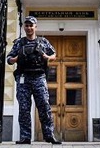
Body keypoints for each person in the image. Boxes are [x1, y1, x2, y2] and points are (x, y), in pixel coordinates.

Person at [6, 16, 61, 145]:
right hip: (24, 78)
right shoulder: (19, 42)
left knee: (44, 106)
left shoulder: (43, 41)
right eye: (27, 25)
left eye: (31, 25)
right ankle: (25, 137)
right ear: (24, 27)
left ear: (35, 27)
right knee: (24, 109)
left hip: (39, 77)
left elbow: (54, 54)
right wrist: (18, 57)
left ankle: (49, 135)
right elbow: (9, 59)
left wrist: (47, 57)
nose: (29, 28)